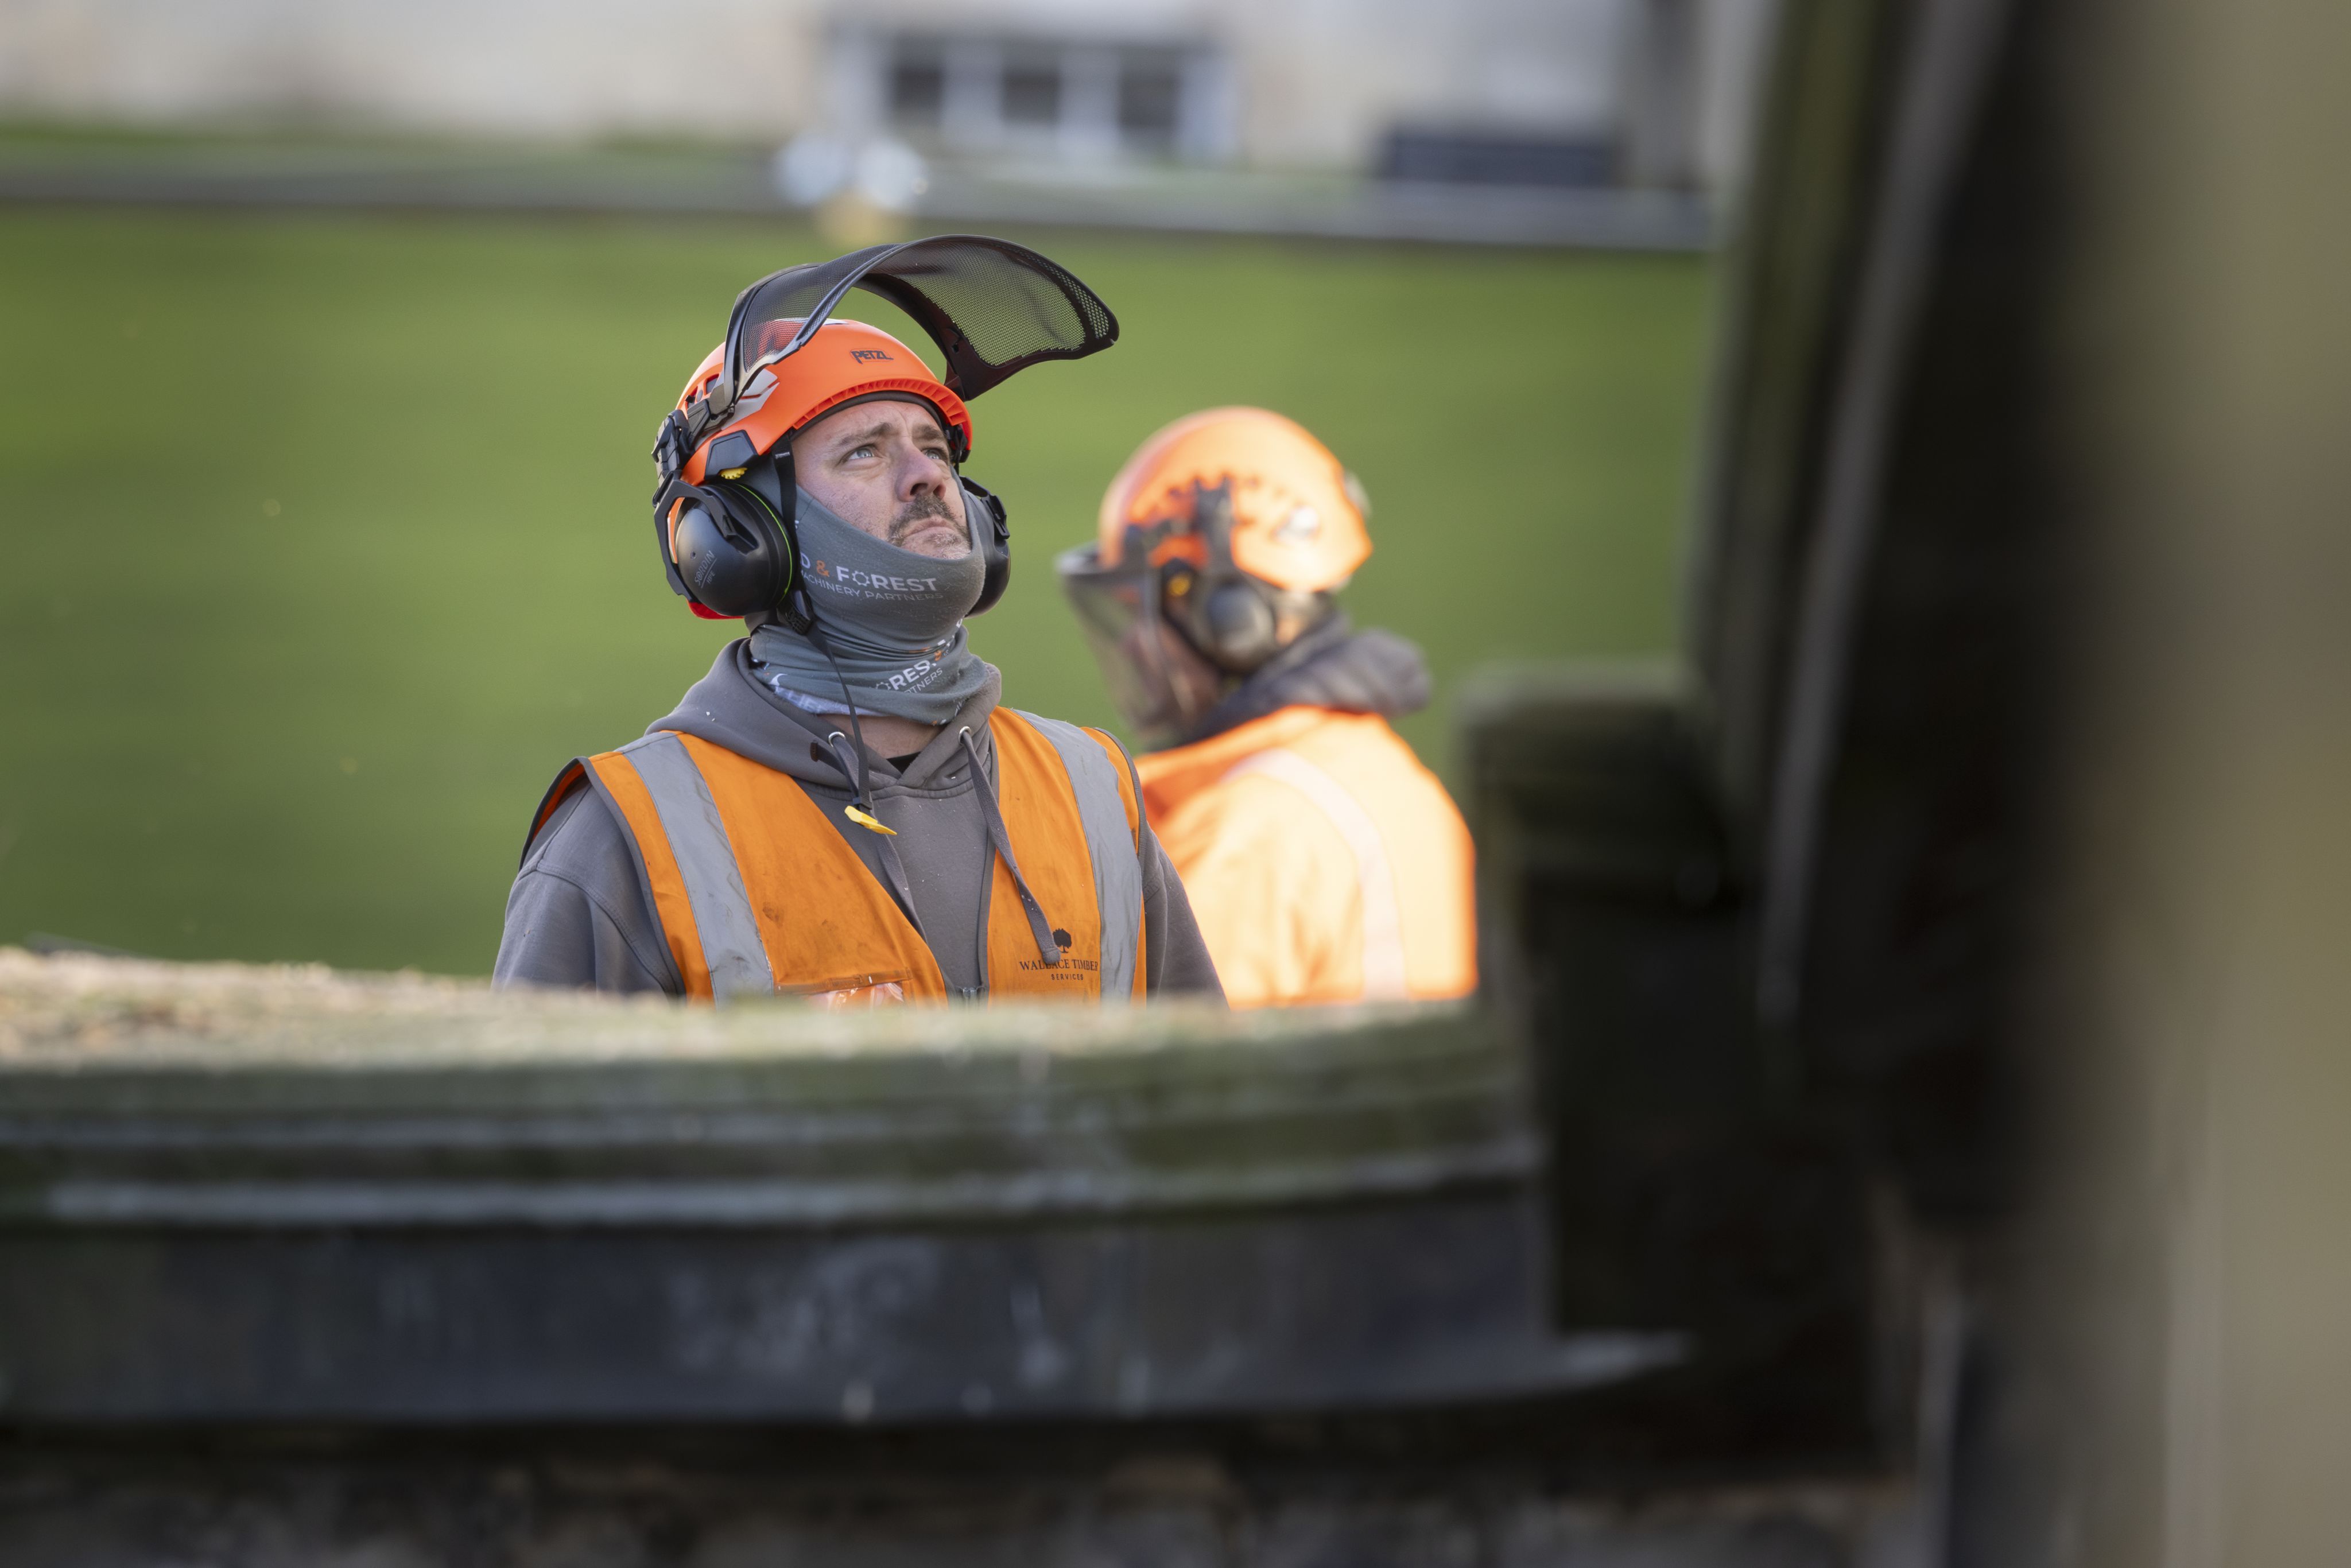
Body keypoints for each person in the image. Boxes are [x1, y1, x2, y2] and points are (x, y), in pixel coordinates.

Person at [495, 238, 1221, 1006]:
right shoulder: (629, 836)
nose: (929, 478)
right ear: (741, 536)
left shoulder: (1094, 793)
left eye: (935, 447)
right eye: (866, 453)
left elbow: (1209, 1104)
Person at [1058, 407, 1475, 1008]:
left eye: (1143, 606)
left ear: (1233, 619)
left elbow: (1161, 1085)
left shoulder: (1250, 834)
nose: (1130, 644)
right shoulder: (1376, 772)